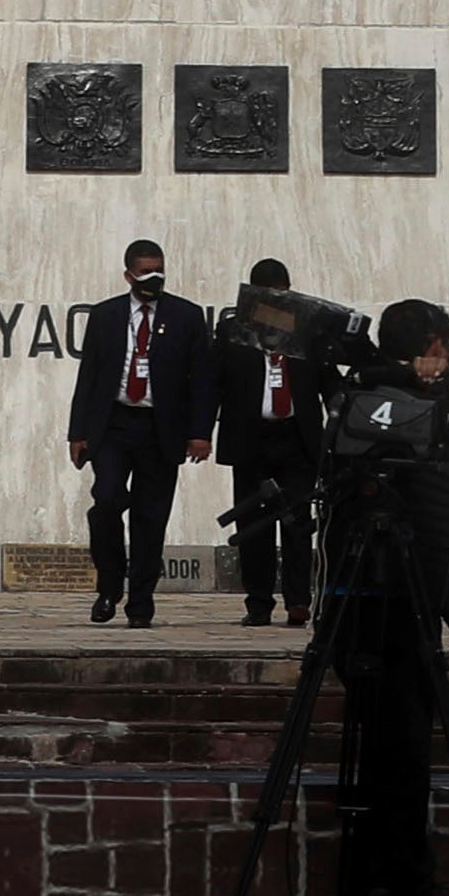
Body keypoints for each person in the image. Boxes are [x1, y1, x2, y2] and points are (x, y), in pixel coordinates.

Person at [328, 296, 449, 896]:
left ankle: (406, 890)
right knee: (391, 762)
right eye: (438, 351)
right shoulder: (371, 409)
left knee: (406, 760)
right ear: (416, 353)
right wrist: (393, 382)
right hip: (374, 608)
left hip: (412, 605)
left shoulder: (424, 416)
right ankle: (379, 893)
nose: (446, 364)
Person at [60, 237, 211, 626]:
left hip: (161, 429)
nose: (153, 277)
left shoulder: (186, 316)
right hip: (114, 425)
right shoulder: (107, 315)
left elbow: (201, 381)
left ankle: (140, 602)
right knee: (106, 500)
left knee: (150, 517)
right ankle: (110, 584)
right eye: (146, 271)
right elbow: (88, 376)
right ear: (128, 274)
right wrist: (77, 433)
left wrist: (200, 432)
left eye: (159, 270)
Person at [207, 257, 327, 626]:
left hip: (296, 438)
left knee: (297, 524)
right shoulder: (233, 332)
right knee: (253, 525)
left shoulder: (307, 333)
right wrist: (198, 433)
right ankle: (258, 602)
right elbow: (214, 384)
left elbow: (328, 383)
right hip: (250, 438)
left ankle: (298, 601)